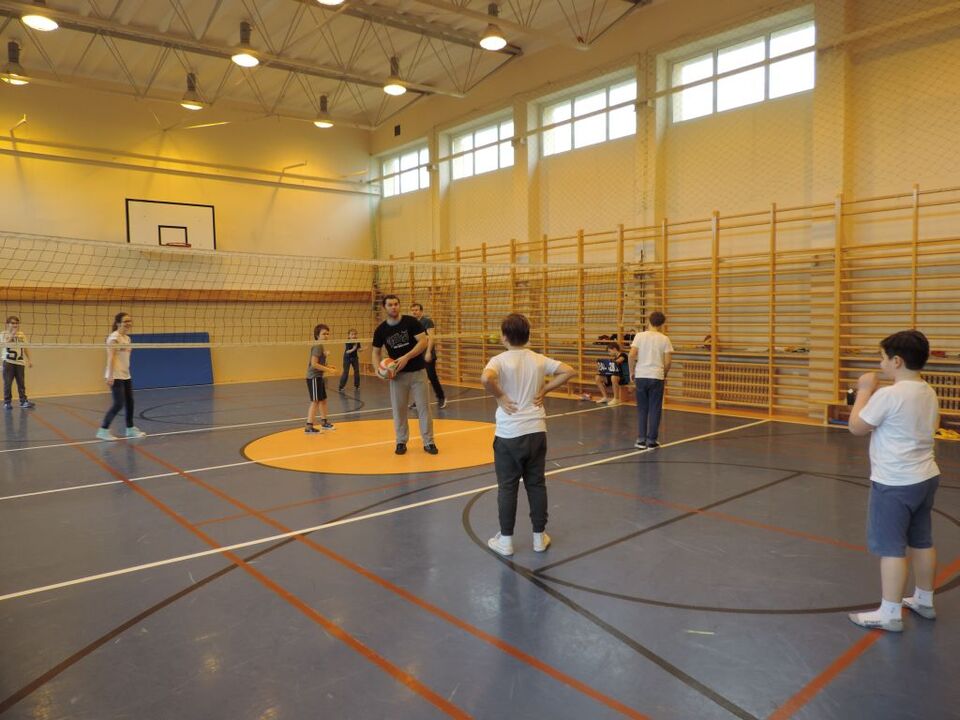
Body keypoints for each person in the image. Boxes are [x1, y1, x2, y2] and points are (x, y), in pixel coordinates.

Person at [847, 329, 941, 632]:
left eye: (883, 358)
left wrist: (864, 390)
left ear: (897, 361)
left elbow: (856, 427)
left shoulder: (888, 395)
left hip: (895, 482)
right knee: (922, 541)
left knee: (891, 548)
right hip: (925, 477)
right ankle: (924, 599)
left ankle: (889, 613)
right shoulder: (928, 391)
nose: (881, 364)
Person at [481, 313, 575, 556]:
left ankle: (506, 541)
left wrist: (500, 396)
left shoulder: (499, 360)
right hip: (536, 431)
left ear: (504, 337)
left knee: (507, 487)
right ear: (527, 335)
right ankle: (538, 538)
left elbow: (486, 378)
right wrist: (545, 389)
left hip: (509, 433)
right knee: (536, 484)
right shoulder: (538, 359)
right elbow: (568, 371)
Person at [371, 295, 437, 455]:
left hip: (418, 372)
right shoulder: (381, 330)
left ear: (399, 305)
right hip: (397, 376)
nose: (393, 307)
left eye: (396, 304)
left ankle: (429, 442)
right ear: (385, 307)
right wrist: (377, 370)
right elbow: (375, 352)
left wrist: (406, 357)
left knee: (424, 408)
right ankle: (401, 441)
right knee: (399, 410)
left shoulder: (411, 322)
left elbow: (423, 342)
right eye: (390, 305)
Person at [97, 312, 146, 440]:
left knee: (130, 402)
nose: (128, 323)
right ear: (118, 323)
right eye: (125, 321)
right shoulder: (114, 338)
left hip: (125, 375)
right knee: (118, 403)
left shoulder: (127, 338)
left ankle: (130, 429)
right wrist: (110, 376)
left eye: (129, 321)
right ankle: (103, 430)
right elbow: (111, 357)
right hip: (115, 375)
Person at [629, 311, 673, 450]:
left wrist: (631, 371)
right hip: (656, 376)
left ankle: (641, 440)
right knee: (655, 409)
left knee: (642, 409)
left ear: (649, 320)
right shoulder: (665, 339)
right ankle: (652, 440)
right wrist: (664, 374)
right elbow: (668, 362)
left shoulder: (639, 336)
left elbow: (631, 355)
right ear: (662, 324)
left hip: (641, 375)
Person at [410, 302, 446, 409]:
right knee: (417, 379)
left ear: (421, 311)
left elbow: (431, 338)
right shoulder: (412, 323)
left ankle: (441, 397)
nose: (414, 312)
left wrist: (428, 352)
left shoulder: (427, 321)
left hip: (426, 353)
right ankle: (418, 401)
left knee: (431, 376)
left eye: (416, 310)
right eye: (413, 310)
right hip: (417, 354)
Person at [306, 324, 338, 434]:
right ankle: (309, 426)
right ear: (317, 335)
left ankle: (324, 423)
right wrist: (329, 370)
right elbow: (314, 364)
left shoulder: (321, 346)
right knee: (315, 401)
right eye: (324, 334)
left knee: (323, 400)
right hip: (314, 377)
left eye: (328, 334)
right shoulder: (318, 346)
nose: (326, 336)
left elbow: (319, 362)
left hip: (319, 377)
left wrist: (329, 366)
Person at [2, 315, 34, 409]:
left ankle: (23, 401)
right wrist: (13, 334)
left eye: (16, 323)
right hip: (8, 362)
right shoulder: (3, 334)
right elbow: (5, 344)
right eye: (12, 323)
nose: (15, 325)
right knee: (8, 384)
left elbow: (25, 347)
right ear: (8, 324)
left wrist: (29, 360)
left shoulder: (21, 334)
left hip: (19, 363)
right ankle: (7, 403)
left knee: (21, 383)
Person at [594, 341, 629, 406]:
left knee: (613, 377)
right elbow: (611, 368)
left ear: (614, 349)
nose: (609, 353)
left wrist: (609, 362)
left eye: (609, 351)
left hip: (624, 377)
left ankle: (616, 398)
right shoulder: (614, 358)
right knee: (598, 377)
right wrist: (601, 365)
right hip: (615, 376)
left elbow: (618, 361)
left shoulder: (623, 355)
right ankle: (605, 397)